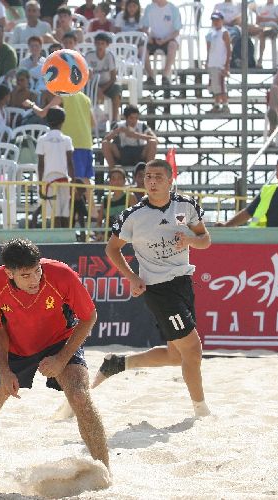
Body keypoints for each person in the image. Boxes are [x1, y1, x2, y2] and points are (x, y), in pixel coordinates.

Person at [0, 238, 109, 487]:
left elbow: (89, 317)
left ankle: (105, 477)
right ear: (9, 273)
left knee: (80, 398)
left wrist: (61, 358)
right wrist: (4, 369)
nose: (34, 280)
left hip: (59, 342)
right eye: (26, 275)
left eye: (37, 271)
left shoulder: (61, 274)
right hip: (15, 349)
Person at [94, 159, 212, 419]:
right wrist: (132, 277)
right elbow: (111, 249)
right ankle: (201, 412)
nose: (152, 181)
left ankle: (117, 364)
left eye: (158, 176)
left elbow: (205, 240)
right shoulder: (132, 215)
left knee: (174, 355)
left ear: (171, 179)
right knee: (192, 349)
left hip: (183, 283)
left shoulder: (187, 206)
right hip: (158, 289)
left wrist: (191, 241)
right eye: (148, 176)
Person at [215, 156, 278, 227]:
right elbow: (247, 213)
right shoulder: (267, 192)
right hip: (266, 238)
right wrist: (227, 225)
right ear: (276, 173)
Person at [35, 107, 74, 228]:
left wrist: (40, 183)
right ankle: (67, 239)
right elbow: (70, 163)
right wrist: (73, 181)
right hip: (64, 179)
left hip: (49, 180)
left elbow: (41, 164)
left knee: (55, 212)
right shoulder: (67, 139)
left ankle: (58, 239)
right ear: (63, 121)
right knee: (65, 211)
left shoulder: (42, 139)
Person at [142, 0, 181, 85]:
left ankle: (165, 76)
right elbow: (144, 28)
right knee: (142, 49)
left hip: (168, 39)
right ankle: (150, 76)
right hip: (153, 39)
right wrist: (149, 37)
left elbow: (177, 31)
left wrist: (165, 39)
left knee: (173, 45)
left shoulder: (173, 9)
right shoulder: (149, 8)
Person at [85, 32, 122, 122]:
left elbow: (113, 77)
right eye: (98, 43)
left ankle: (114, 120)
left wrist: (102, 89)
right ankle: (92, 120)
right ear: (94, 44)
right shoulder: (89, 56)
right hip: (92, 85)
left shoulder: (109, 56)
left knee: (117, 90)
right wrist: (96, 88)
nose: (100, 46)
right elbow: (86, 76)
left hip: (107, 84)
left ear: (107, 45)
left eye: (102, 44)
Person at [205, 13, 231, 114]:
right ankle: (216, 104)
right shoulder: (211, 33)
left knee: (221, 86)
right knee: (214, 86)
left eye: (217, 20)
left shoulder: (224, 33)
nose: (215, 22)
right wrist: (207, 61)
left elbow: (229, 49)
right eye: (214, 20)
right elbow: (209, 49)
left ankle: (225, 105)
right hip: (212, 63)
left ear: (222, 20)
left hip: (220, 64)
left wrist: (227, 64)